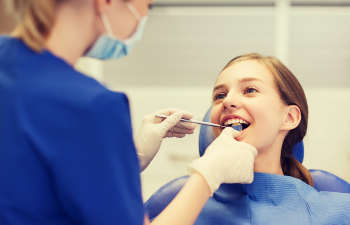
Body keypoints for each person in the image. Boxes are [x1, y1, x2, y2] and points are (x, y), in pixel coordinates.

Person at [0, 1, 259, 225]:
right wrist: (208, 173)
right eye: (146, 4)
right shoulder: (90, 106)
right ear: (107, 2)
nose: (144, 17)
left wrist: (130, 157)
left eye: (250, 90)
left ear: (291, 117)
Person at [146, 53, 350, 224]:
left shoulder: (340, 212)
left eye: (250, 90)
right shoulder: (172, 207)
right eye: (219, 95)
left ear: (289, 118)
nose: (228, 101)